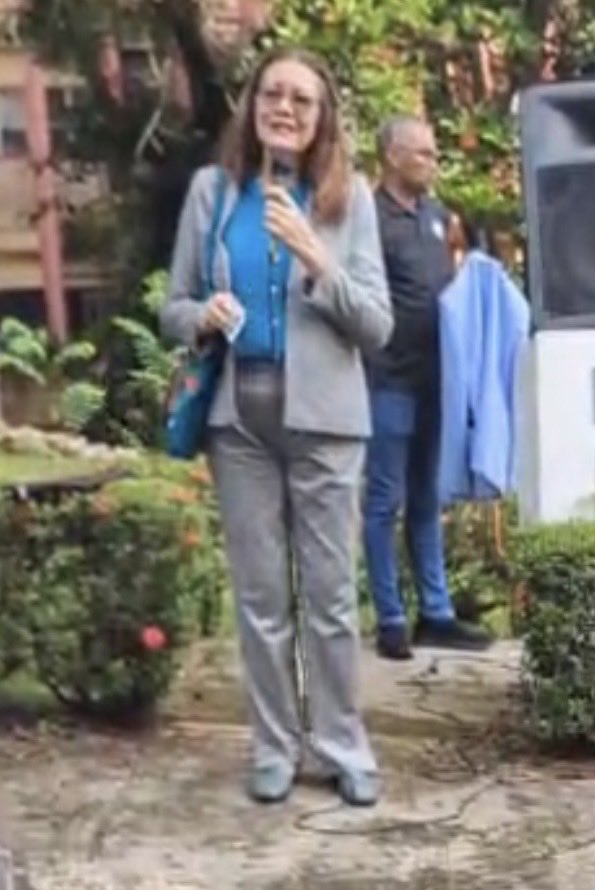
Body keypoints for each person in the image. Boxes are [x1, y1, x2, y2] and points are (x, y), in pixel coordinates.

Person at [161, 48, 392, 807]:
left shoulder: (350, 197)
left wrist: (316, 258)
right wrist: (202, 315)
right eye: (271, 94)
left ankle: (341, 745)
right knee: (260, 598)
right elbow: (173, 306)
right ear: (252, 104)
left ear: (323, 117)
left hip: (327, 422)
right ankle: (273, 746)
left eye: (301, 98)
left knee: (329, 597)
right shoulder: (213, 191)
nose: (284, 108)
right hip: (238, 421)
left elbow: (377, 326)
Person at [361, 115, 491, 660]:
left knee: (426, 497)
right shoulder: (367, 216)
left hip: (437, 380)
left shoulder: (438, 217)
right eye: (424, 153)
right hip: (388, 378)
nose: (434, 163)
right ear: (392, 156)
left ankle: (435, 614)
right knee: (383, 501)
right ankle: (390, 618)